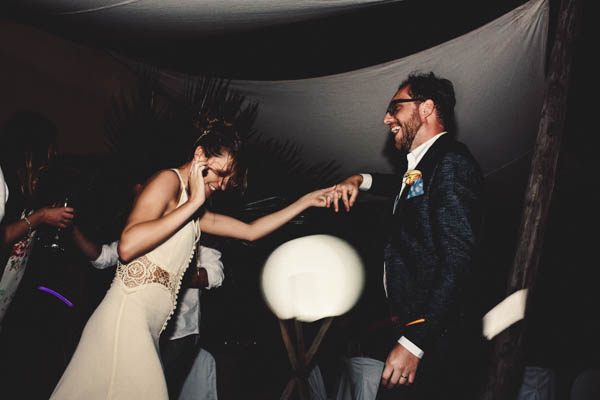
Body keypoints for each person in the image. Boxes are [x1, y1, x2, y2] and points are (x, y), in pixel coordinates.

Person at [50, 118, 335, 399]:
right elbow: (127, 246)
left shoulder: (192, 209)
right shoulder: (167, 181)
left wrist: (305, 201)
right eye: (220, 174)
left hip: (149, 328)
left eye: (228, 179)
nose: (223, 185)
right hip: (125, 319)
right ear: (200, 155)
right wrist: (194, 203)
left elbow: (250, 231)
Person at [330, 72, 484, 399]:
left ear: (426, 108)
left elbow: (459, 261)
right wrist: (360, 179)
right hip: (416, 330)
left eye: (395, 107)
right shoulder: (426, 166)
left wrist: (416, 343)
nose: (387, 118)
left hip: (436, 342)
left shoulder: (452, 163)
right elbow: (403, 186)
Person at [0, 111, 74, 329]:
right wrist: (41, 217)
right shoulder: (6, 179)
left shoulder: (32, 183)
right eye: (52, 144)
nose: (54, 152)